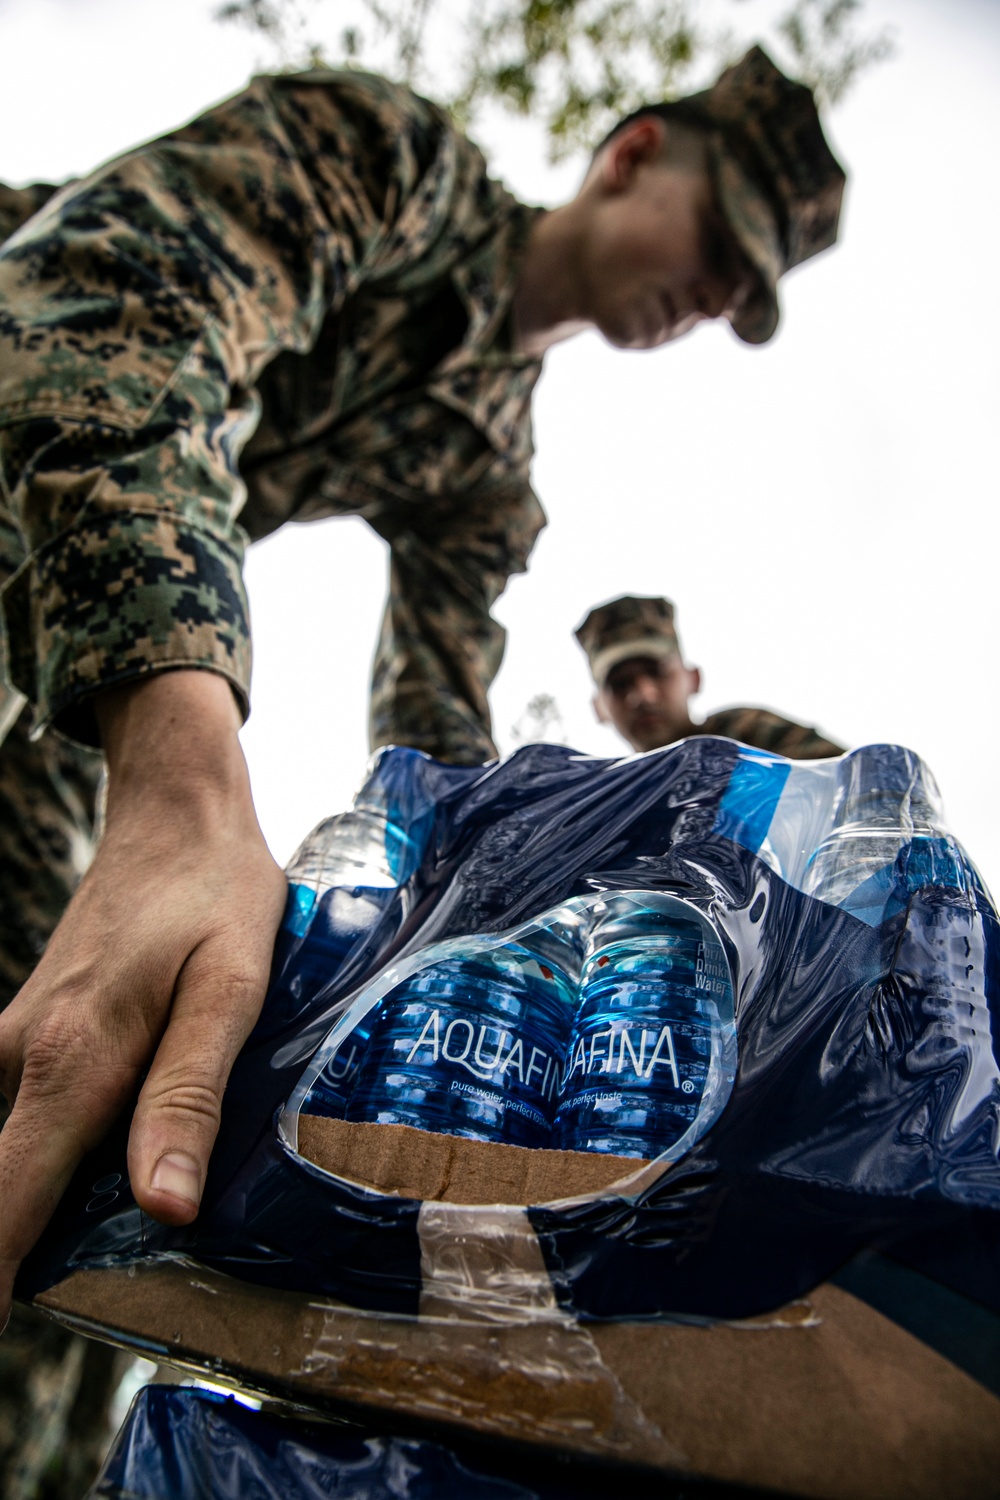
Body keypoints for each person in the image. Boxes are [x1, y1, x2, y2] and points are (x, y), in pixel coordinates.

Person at [0, 42, 846, 1381]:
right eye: (727, 237)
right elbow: (97, 306)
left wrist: (512, 991)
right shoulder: (386, 159)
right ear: (631, 155)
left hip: (43, 658)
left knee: (116, 1085)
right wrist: (187, 794)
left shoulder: (487, 475)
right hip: (57, 531)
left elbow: (442, 762)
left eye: (753, 290)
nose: (724, 292)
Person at [576, 595, 844, 757]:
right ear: (598, 708)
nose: (642, 695)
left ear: (694, 679)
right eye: (619, 684)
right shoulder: (613, 807)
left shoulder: (745, 739)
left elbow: (864, 792)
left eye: (658, 672)